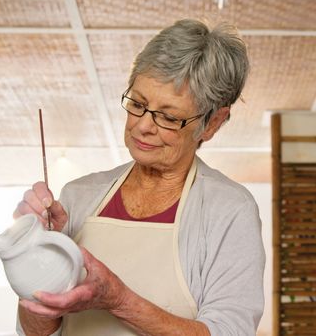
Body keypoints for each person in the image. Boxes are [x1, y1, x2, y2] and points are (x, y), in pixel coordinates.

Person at [13, 18, 265, 336]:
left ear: (213, 123)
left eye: (169, 116)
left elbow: (230, 332)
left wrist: (118, 301)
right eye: (138, 104)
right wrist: (36, 256)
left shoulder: (228, 209)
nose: (143, 125)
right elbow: (36, 331)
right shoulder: (78, 196)